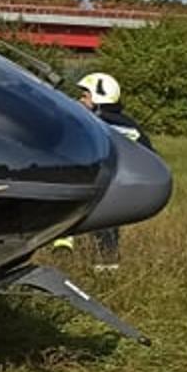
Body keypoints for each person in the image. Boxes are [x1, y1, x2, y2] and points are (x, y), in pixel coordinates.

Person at [67, 72, 152, 270]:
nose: (80, 100)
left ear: (98, 98)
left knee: (102, 222)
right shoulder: (127, 123)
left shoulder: (99, 123)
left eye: (85, 96)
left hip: (115, 185)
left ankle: (105, 266)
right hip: (127, 184)